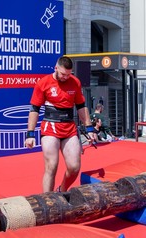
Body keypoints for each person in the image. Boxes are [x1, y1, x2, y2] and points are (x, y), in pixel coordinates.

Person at [24, 56, 94, 193]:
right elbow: (34, 109)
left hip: (69, 128)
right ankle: (47, 201)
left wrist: (89, 128)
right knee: (51, 166)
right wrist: (30, 134)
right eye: (63, 74)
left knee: (74, 167)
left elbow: (81, 106)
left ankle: (61, 190)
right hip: (50, 127)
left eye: (69, 74)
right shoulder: (43, 83)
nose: (65, 77)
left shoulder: (75, 82)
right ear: (55, 68)